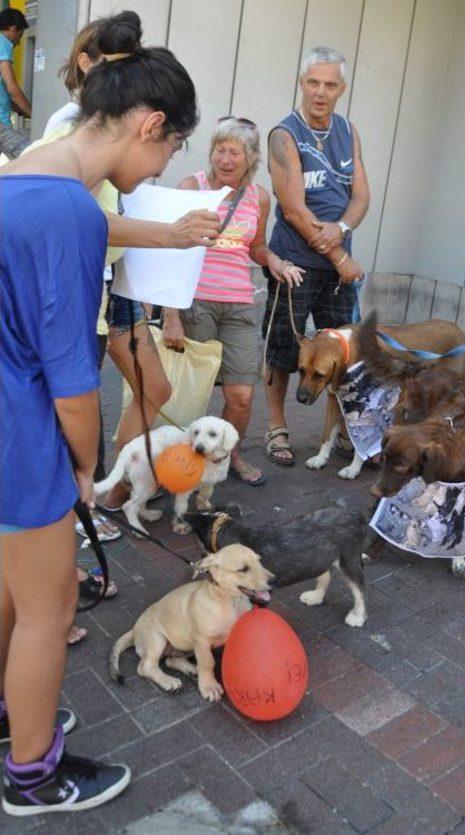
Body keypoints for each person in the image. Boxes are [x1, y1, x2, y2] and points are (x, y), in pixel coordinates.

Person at [0, 11, 201, 814]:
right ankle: (32, 774)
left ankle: (12, 721)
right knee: (48, 612)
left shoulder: (18, 172)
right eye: (170, 148)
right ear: (150, 124)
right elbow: (74, 385)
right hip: (22, 430)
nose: (161, 163)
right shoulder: (72, 214)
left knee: (9, 593)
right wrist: (86, 466)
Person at [163, 118, 303, 484]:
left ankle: (225, 458)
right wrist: (170, 315)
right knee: (191, 396)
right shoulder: (192, 186)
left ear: (251, 157)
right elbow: (172, 253)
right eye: (219, 150)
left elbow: (254, 246)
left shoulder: (259, 197)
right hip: (196, 302)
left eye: (234, 152)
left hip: (239, 304)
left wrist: (274, 260)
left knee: (241, 394)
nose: (225, 159)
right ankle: (178, 462)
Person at [263, 46, 370, 465]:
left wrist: (341, 228)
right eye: (313, 83)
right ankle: (276, 427)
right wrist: (341, 256)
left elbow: (361, 196)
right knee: (284, 350)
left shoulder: (348, 130)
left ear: (342, 88)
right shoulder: (284, 135)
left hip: (338, 267)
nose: (320, 92)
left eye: (329, 84)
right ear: (301, 83)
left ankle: (344, 431)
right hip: (295, 265)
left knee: (345, 355)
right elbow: (293, 209)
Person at [0, 6, 30, 159]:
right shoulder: (3, 43)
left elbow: (3, 91)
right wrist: (33, 113)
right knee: (29, 155)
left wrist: (18, 108)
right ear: (12, 29)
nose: (19, 42)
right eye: (20, 35)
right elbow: (12, 88)